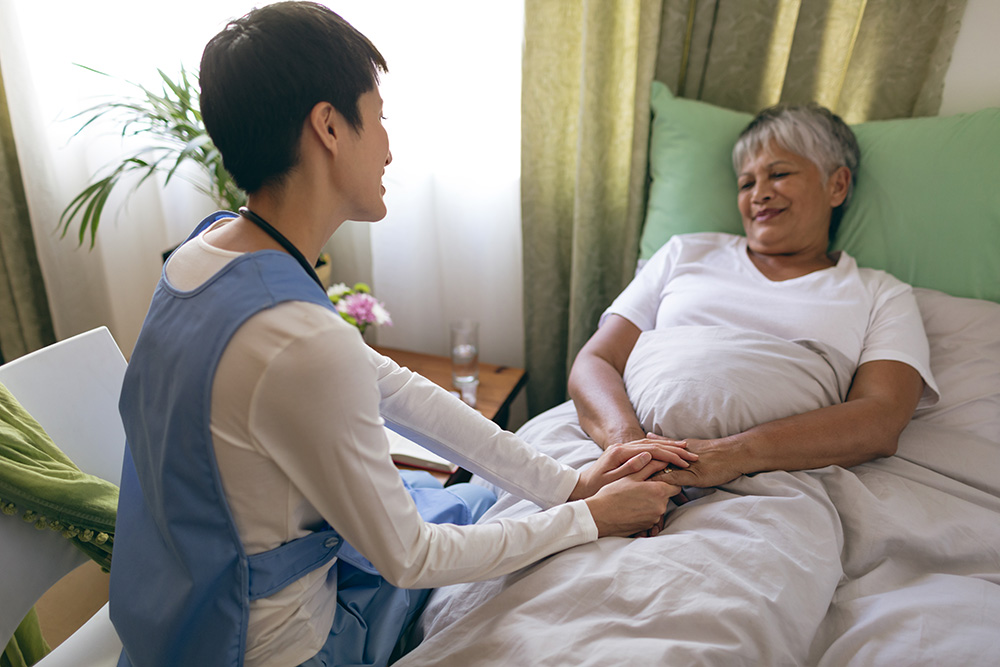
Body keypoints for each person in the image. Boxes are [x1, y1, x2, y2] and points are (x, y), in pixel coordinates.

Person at [107, 3, 693, 667]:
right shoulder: (296, 339)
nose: (389, 145)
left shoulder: (204, 252)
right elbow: (409, 556)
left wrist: (568, 485)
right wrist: (592, 518)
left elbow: (386, 384)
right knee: (479, 519)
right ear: (329, 126)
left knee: (478, 500)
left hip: (178, 618)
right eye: (378, 115)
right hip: (276, 650)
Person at [568, 102, 939, 491]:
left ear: (837, 185)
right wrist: (629, 450)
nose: (759, 194)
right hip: (624, 463)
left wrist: (730, 455)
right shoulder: (685, 252)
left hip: (775, 480)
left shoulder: (881, 293)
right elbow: (596, 360)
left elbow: (880, 420)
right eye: (746, 183)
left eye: (778, 174)